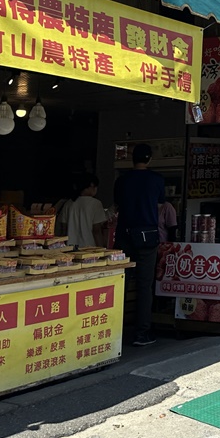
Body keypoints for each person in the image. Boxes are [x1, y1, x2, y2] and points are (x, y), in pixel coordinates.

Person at [114, 143, 164, 346]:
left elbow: (117, 206)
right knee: (145, 285)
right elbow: (160, 207)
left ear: (132, 159)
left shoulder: (122, 180)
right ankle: (142, 333)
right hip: (147, 235)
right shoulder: (156, 180)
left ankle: (114, 331)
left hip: (124, 235)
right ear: (149, 159)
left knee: (121, 282)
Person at [59, 173, 107, 249]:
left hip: (70, 248)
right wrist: (101, 248)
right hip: (89, 248)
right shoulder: (95, 204)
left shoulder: (69, 204)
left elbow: (63, 230)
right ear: (91, 185)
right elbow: (96, 231)